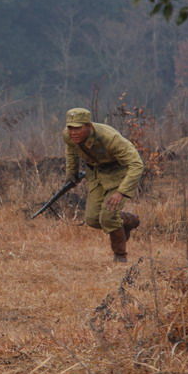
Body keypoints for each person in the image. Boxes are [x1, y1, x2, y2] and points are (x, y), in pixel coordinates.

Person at [63, 108, 144, 262]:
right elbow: (71, 152)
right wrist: (71, 175)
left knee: (108, 217)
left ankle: (120, 256)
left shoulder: (110, 138)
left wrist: (121, 192)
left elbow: (136, 164)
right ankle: (129, 220)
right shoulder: (68, 136)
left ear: (88, 126)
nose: (73, 132)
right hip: (96, 175)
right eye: (70, 128)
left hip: (118, 174)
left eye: (78, 128)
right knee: (92, 220)